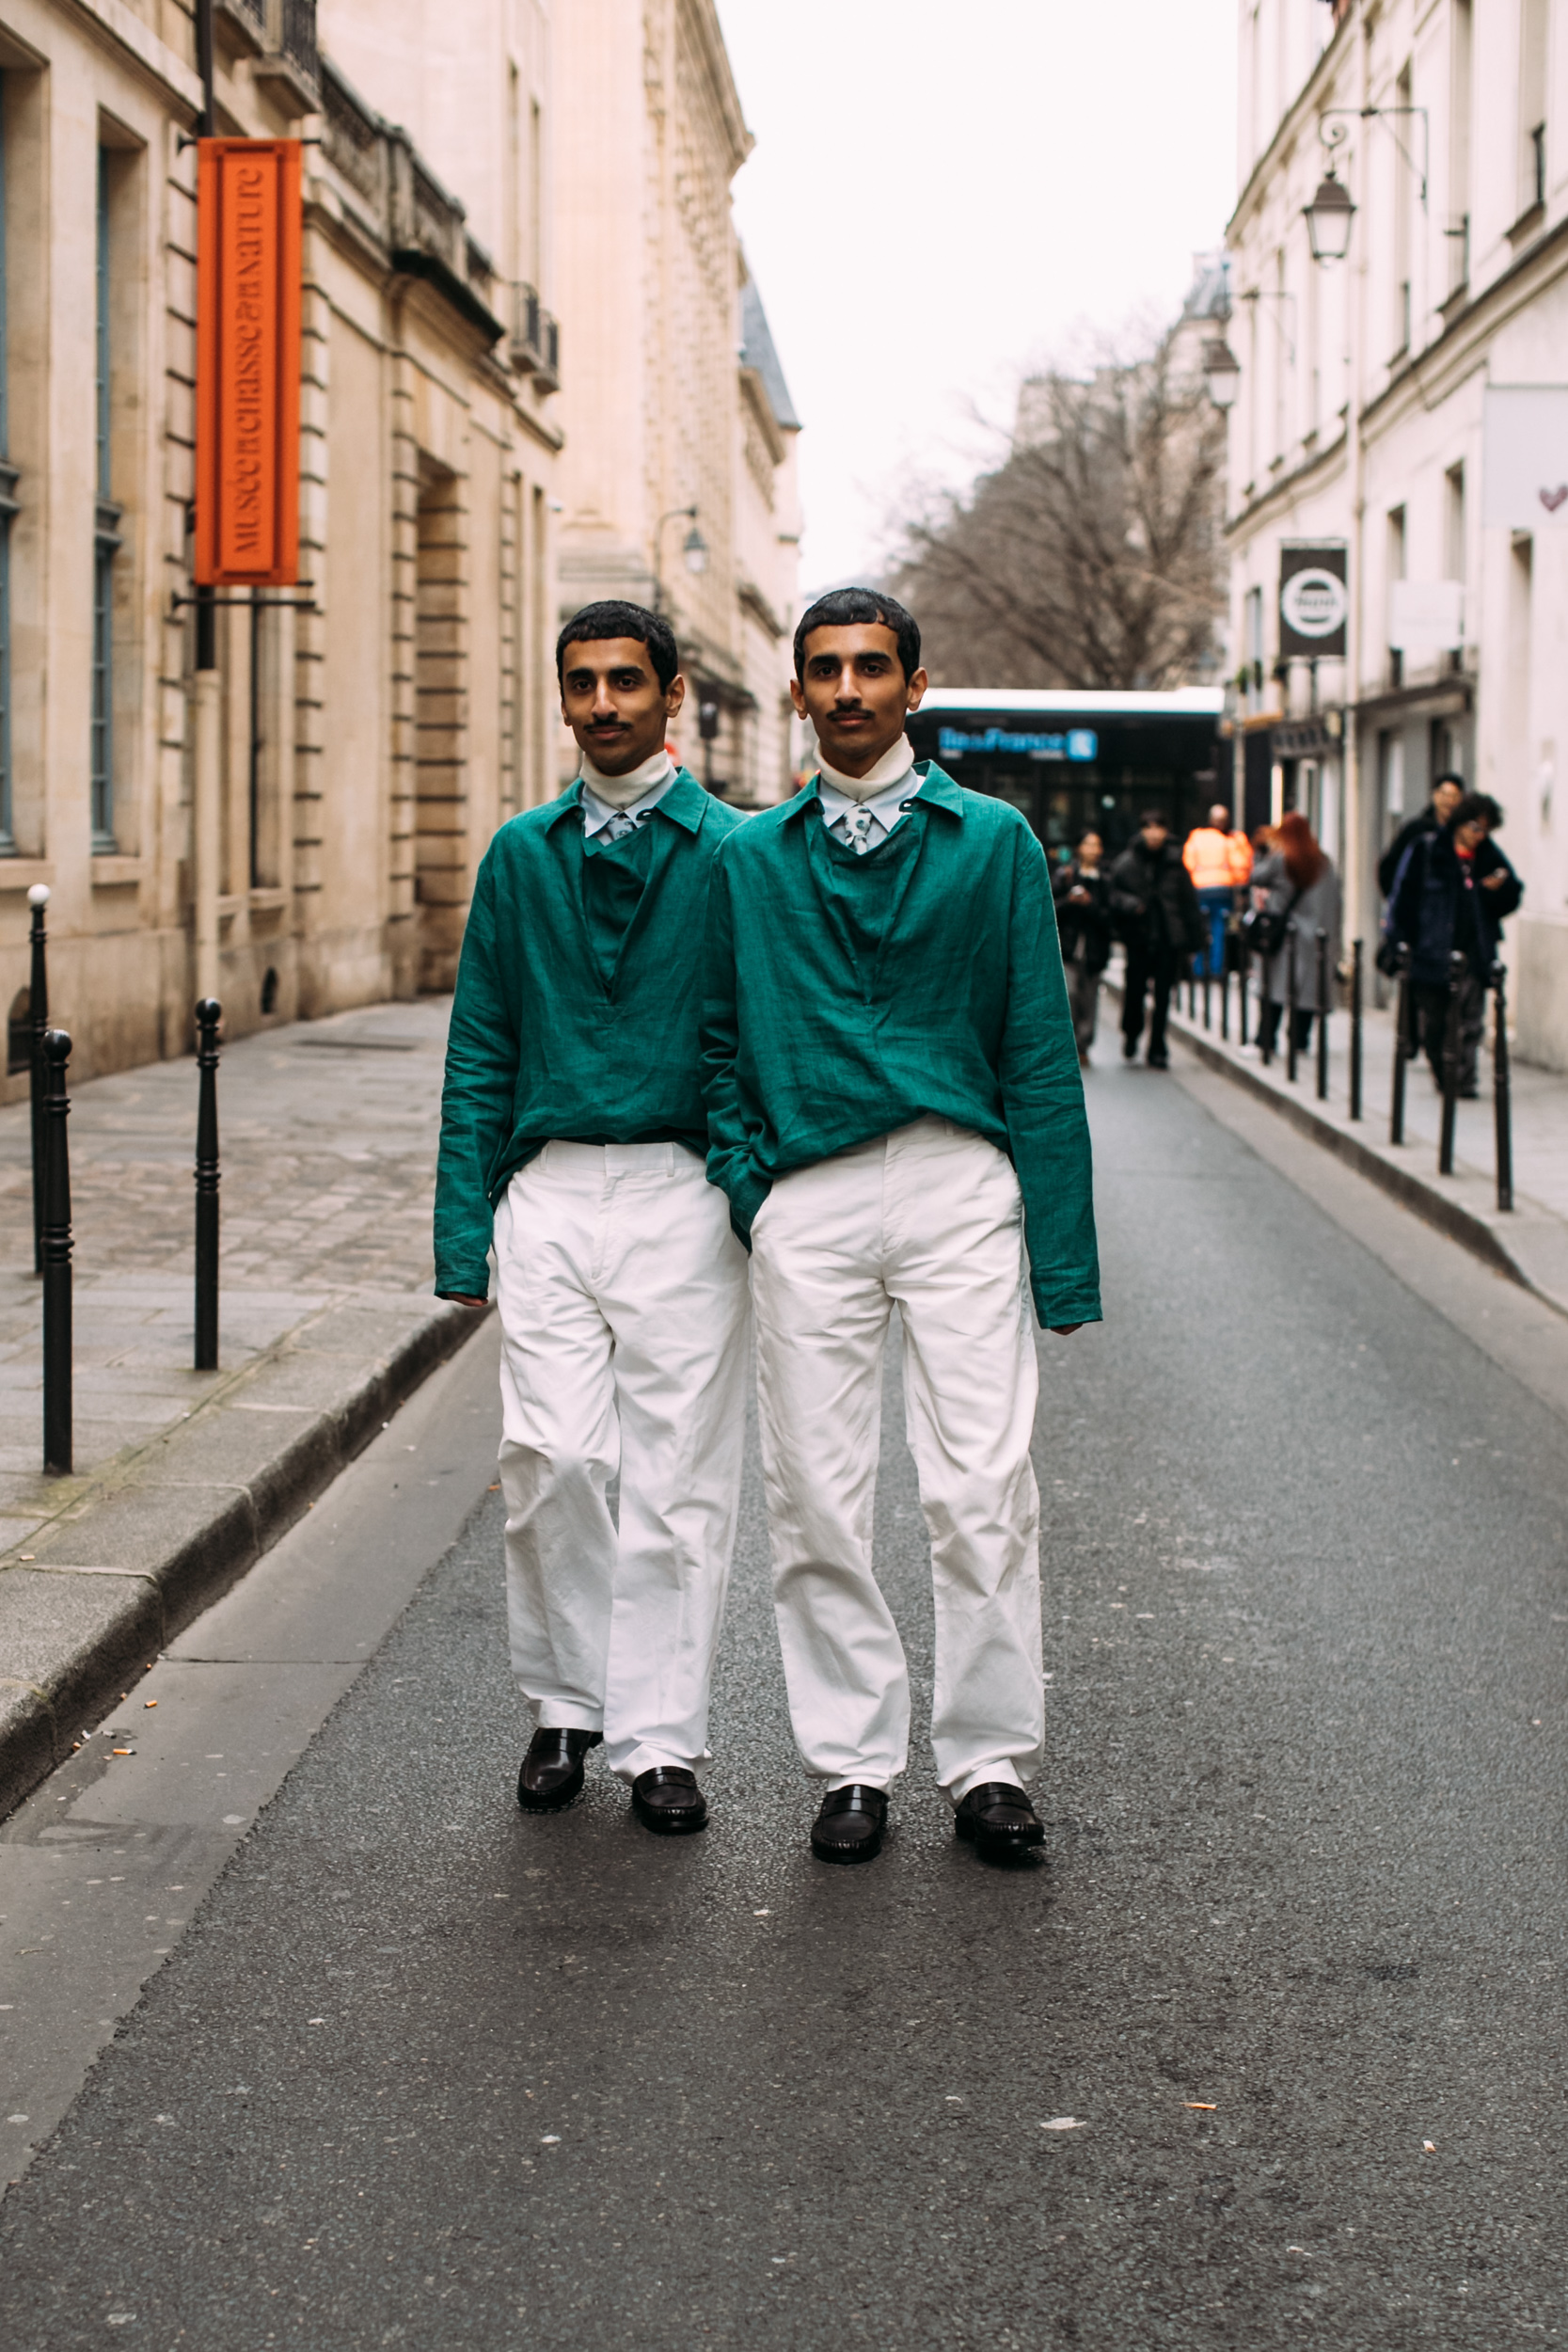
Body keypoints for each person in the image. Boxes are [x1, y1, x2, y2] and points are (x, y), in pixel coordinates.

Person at [702, 587, 1100, 1870]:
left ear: (913, 687)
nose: (850, 689)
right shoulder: (750, 860)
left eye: (873, 667)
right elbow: (716, 1045)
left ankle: (986, 1761)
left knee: (981, 1485)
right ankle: (850, 1765)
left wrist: (1060, 1254)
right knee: (813, 1495)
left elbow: (1037, 1047)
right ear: (799, 692)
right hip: (807, 1195)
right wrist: (752, 1186)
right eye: (825, 669)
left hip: (955, 1185)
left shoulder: (991, 844)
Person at [435, 600, 751, 1838]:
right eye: (583, 683)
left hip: (682, 1193)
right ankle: (564, 1703)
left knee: (676, 1481)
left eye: (628, 681)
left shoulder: (736, 850)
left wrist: (749, 1194)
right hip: (550, 1188)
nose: (604, 703)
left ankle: (661, 1739)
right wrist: (465, 1232)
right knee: (553, 1459)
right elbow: (481, 1046)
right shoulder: (519, 854)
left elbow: (758, 1039)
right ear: (562, 698)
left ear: (672, 695)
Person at [1388, 791, 1523, 1096]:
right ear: (1461, 823)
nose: (1480, 836)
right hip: (1430, 951)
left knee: (1470, 1023)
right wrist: (1399, 942)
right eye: (1476, 828)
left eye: (1486, 830)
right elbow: (1403, 899)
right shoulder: (1428, 850)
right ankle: (1442, 1069)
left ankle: (1463, 1080)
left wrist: (1497, 890)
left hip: (1474, 951)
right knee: (1434, 1024)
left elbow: (1511, 895)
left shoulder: (1488, 857)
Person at [1108, 810, 1206, 1068]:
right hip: (1138, 937)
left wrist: (1195, 941)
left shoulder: (1175, 864)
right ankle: (1132, 1033)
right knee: (1135, 991)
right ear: (1142, 830)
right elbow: (1112, 894)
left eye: (1158, 828)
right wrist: (1131, 905)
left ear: (1165, 831)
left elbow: (1188, 904)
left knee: (1163, 995)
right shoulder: (1128, 862)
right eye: (1148, 827)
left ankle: (1157, 1046)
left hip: (1167, 938)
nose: (1153, 833)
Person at [1249, 810, 1340, 1063]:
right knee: (1307, 993)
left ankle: (1266, 1040)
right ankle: (1300, 1041)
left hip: (1285, 936)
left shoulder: (1281, 859)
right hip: (1315, 939)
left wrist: (1264, 850)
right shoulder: (1324, 861)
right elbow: (1334, 900)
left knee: (1274, 990)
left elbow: (1255, 877)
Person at [1053, 829, 1114, 1063]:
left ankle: (1083, 1046)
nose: (1092, 850)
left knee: (1089, 998)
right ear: (1079, 848)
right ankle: (1068, 1044)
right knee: (1069, 994)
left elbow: (1110, 916)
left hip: (1093, 948)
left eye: (1096, 845)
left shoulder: (1106, 879)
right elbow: (1050, 907)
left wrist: (1090, 904)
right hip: (1067, 947)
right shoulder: (1065, 874)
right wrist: (1070, 901)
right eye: (1088, 844)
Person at [1182, 800, 1253, 977]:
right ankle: (1216, 969)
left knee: (1201, 929)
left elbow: (1187, 863)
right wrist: (1240, 885)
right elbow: (1241, 865)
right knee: (1219, 929)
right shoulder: (1230, 840)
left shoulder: (1196, 837)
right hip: (1222, 889)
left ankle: (1198, 969)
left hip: (1200, 889)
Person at [1377, 771, 1464, 899]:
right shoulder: (1415, 830)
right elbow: (1390, 865)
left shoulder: (1465, 833)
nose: (1449, 801)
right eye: (1445, 794)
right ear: (1435, 795)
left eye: (1454, 796)